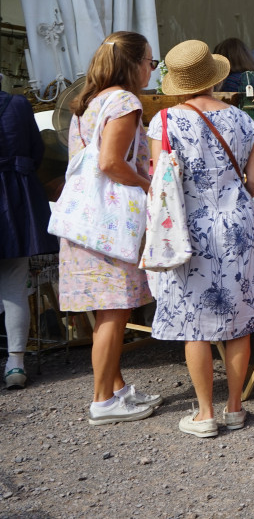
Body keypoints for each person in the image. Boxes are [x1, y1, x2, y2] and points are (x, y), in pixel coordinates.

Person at [148, 40, 254, 438]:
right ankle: (235, 408)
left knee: (193, 323)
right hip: (237, 228)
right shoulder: (242, 120)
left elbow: (160, 182)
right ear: (213, 77)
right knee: (239, 318)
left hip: (189, 230)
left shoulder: (163, 122)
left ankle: (204, 414)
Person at [58, 31, 161, 424]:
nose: (152, 68)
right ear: (133, 64)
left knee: (107, 312)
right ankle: (103, 400)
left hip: (85, 221)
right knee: (114, 311)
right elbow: (110, 163)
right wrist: (148, 184)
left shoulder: (89, 101)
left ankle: (115, 389)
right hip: (109, 225)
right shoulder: (125, 101)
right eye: (150, 61)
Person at [0, 77, 59, 389]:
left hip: (13, 195)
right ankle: (15, 365)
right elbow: (37, 153)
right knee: (13, 287)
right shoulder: (19, 104)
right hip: (14, 201)